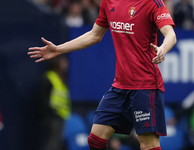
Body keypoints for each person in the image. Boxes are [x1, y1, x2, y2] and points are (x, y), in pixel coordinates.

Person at [28, 0, 177, 149]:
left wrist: (163, 49)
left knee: (148, 145)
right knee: (95, 139)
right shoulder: (108, 2)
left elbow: (170, 34)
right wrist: (59, 49)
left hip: (145, 86)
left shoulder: (152, 2)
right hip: (120, 87)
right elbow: (94, 35)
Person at [36, 55, 71, 150]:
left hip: (61, 117)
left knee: (57, 144)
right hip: (51, 118)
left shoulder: (62, 79)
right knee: (51, 144)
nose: (66, 64)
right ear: (57, 63)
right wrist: (49, 114)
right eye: (64, 62)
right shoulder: (49, 78)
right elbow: (43, 99)